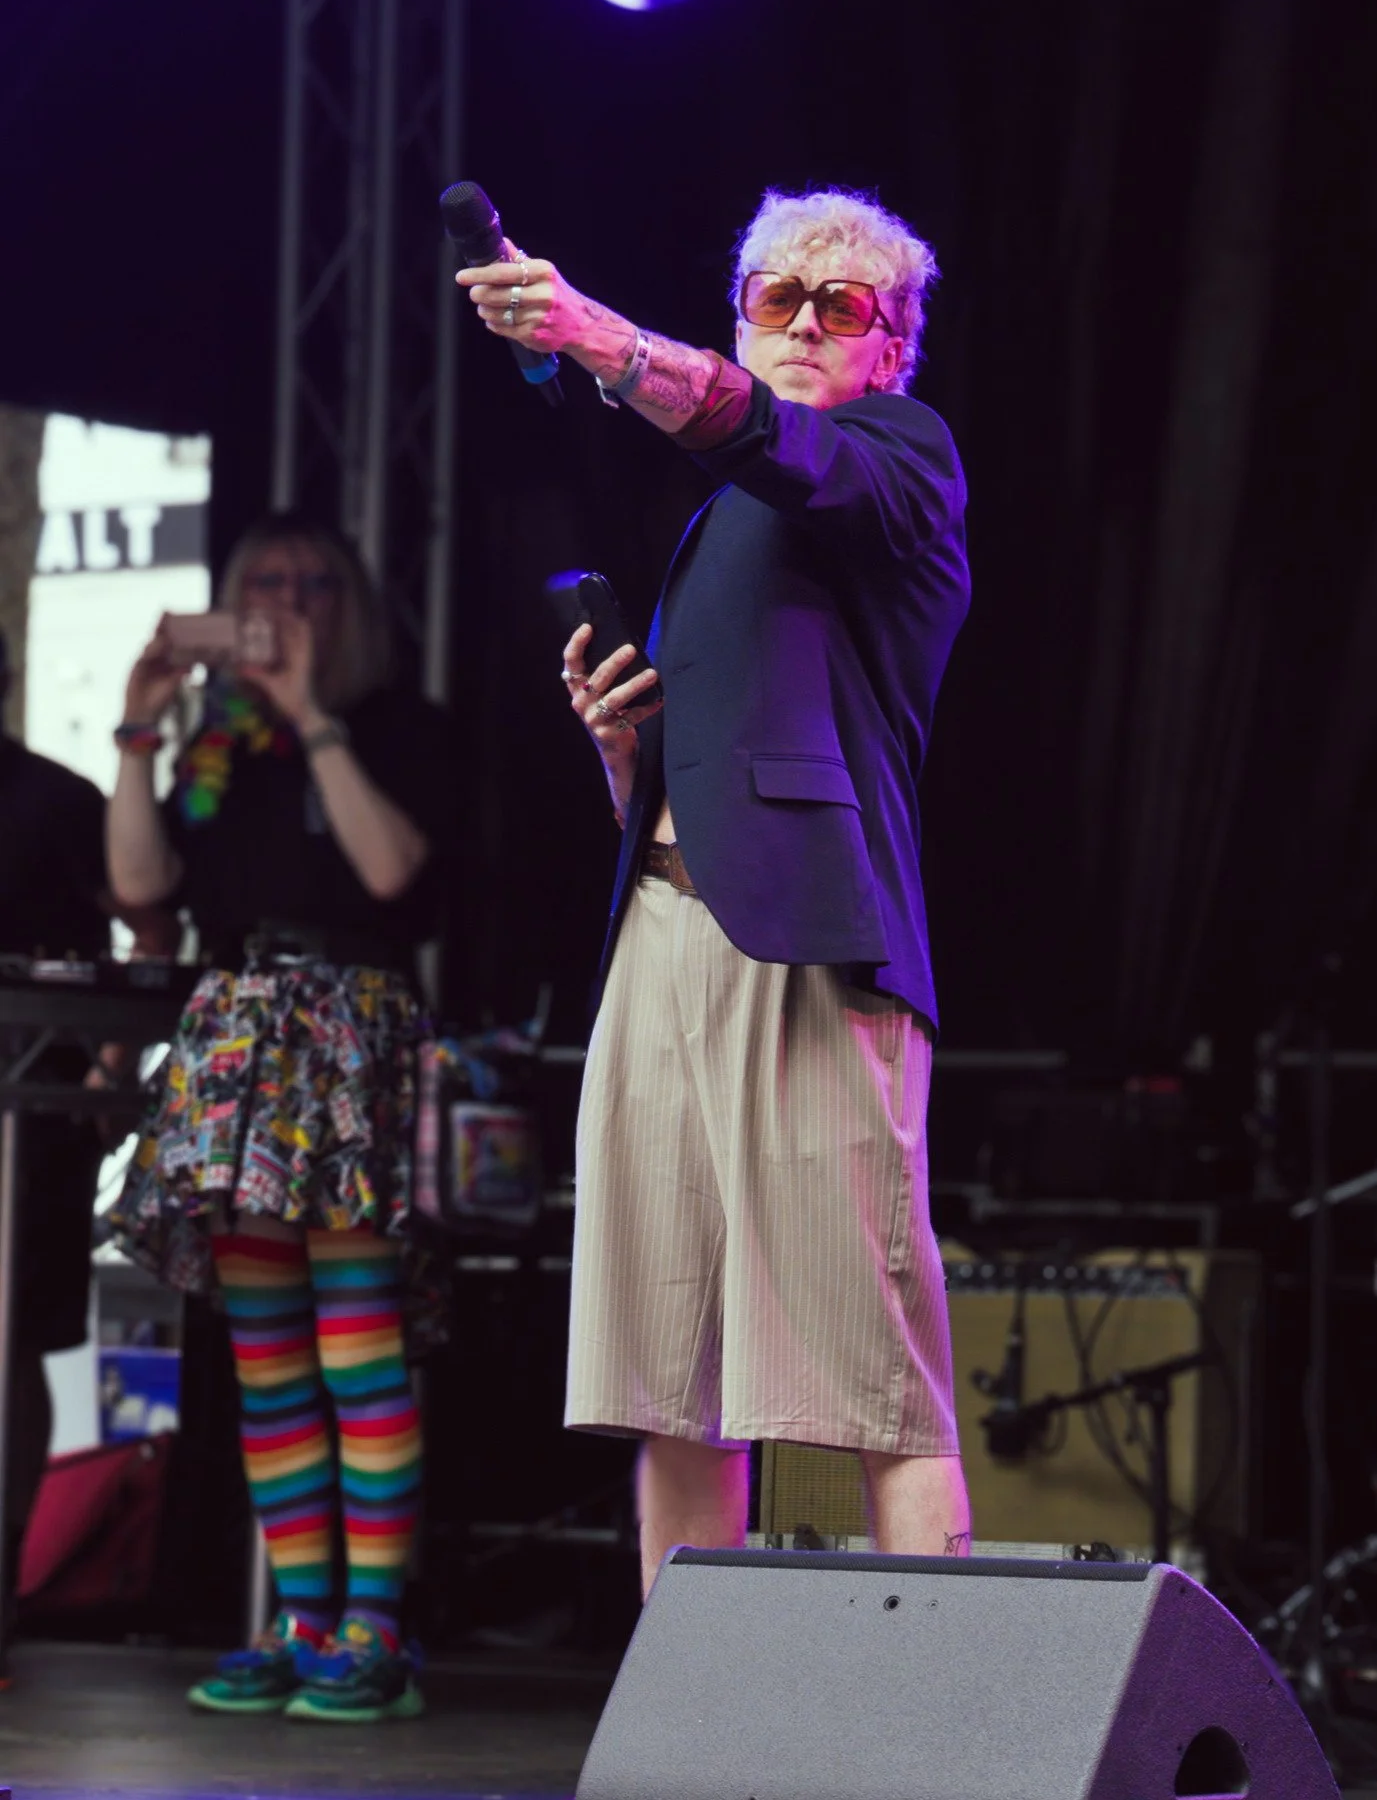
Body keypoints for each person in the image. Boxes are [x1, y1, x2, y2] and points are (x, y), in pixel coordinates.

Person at [458, 187, 973, 1595]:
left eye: (843, 304)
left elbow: (765, 436)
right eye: (774, 298)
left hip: (812, 944)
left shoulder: (898, 460)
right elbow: (707, 782)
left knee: (876, 1372)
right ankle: (684, 1750)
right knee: (661, 1369)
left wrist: (595, 339)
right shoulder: (721, 525)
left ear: (893, 343)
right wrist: (627, 753)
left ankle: (939, 1748)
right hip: (667, 930)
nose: (805, 323)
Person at [106, 513, 449, 1719]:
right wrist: (142, 724)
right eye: (264, 584)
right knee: (268, 1367)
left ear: (349, 604)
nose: (288, 602)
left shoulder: (397, 726)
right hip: (236, 1043)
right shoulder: (216, 747)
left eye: (313, 583)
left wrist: (314, 718)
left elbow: (396, 873)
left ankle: (376, 1631)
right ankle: (305, 1623)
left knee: (359, 1351)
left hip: (345, 1032)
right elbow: (143, 890)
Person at [0, 627, 122, 1678]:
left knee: (18, 1340)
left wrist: (110, 1077)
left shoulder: (57, 798)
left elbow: (118, 949)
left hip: (31, 1121)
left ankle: (4, 1577)